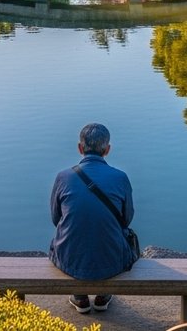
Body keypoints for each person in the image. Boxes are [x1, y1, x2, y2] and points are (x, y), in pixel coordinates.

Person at [49, 122, 136, 314]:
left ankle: (80, 298)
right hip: (112, 261)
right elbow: (126, 220)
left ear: (80, 148)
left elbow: (56, 218)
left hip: (70, 260)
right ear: (107, 149)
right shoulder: (120, 177)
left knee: (66, 236)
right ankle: (103, 296)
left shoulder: (63, 177)